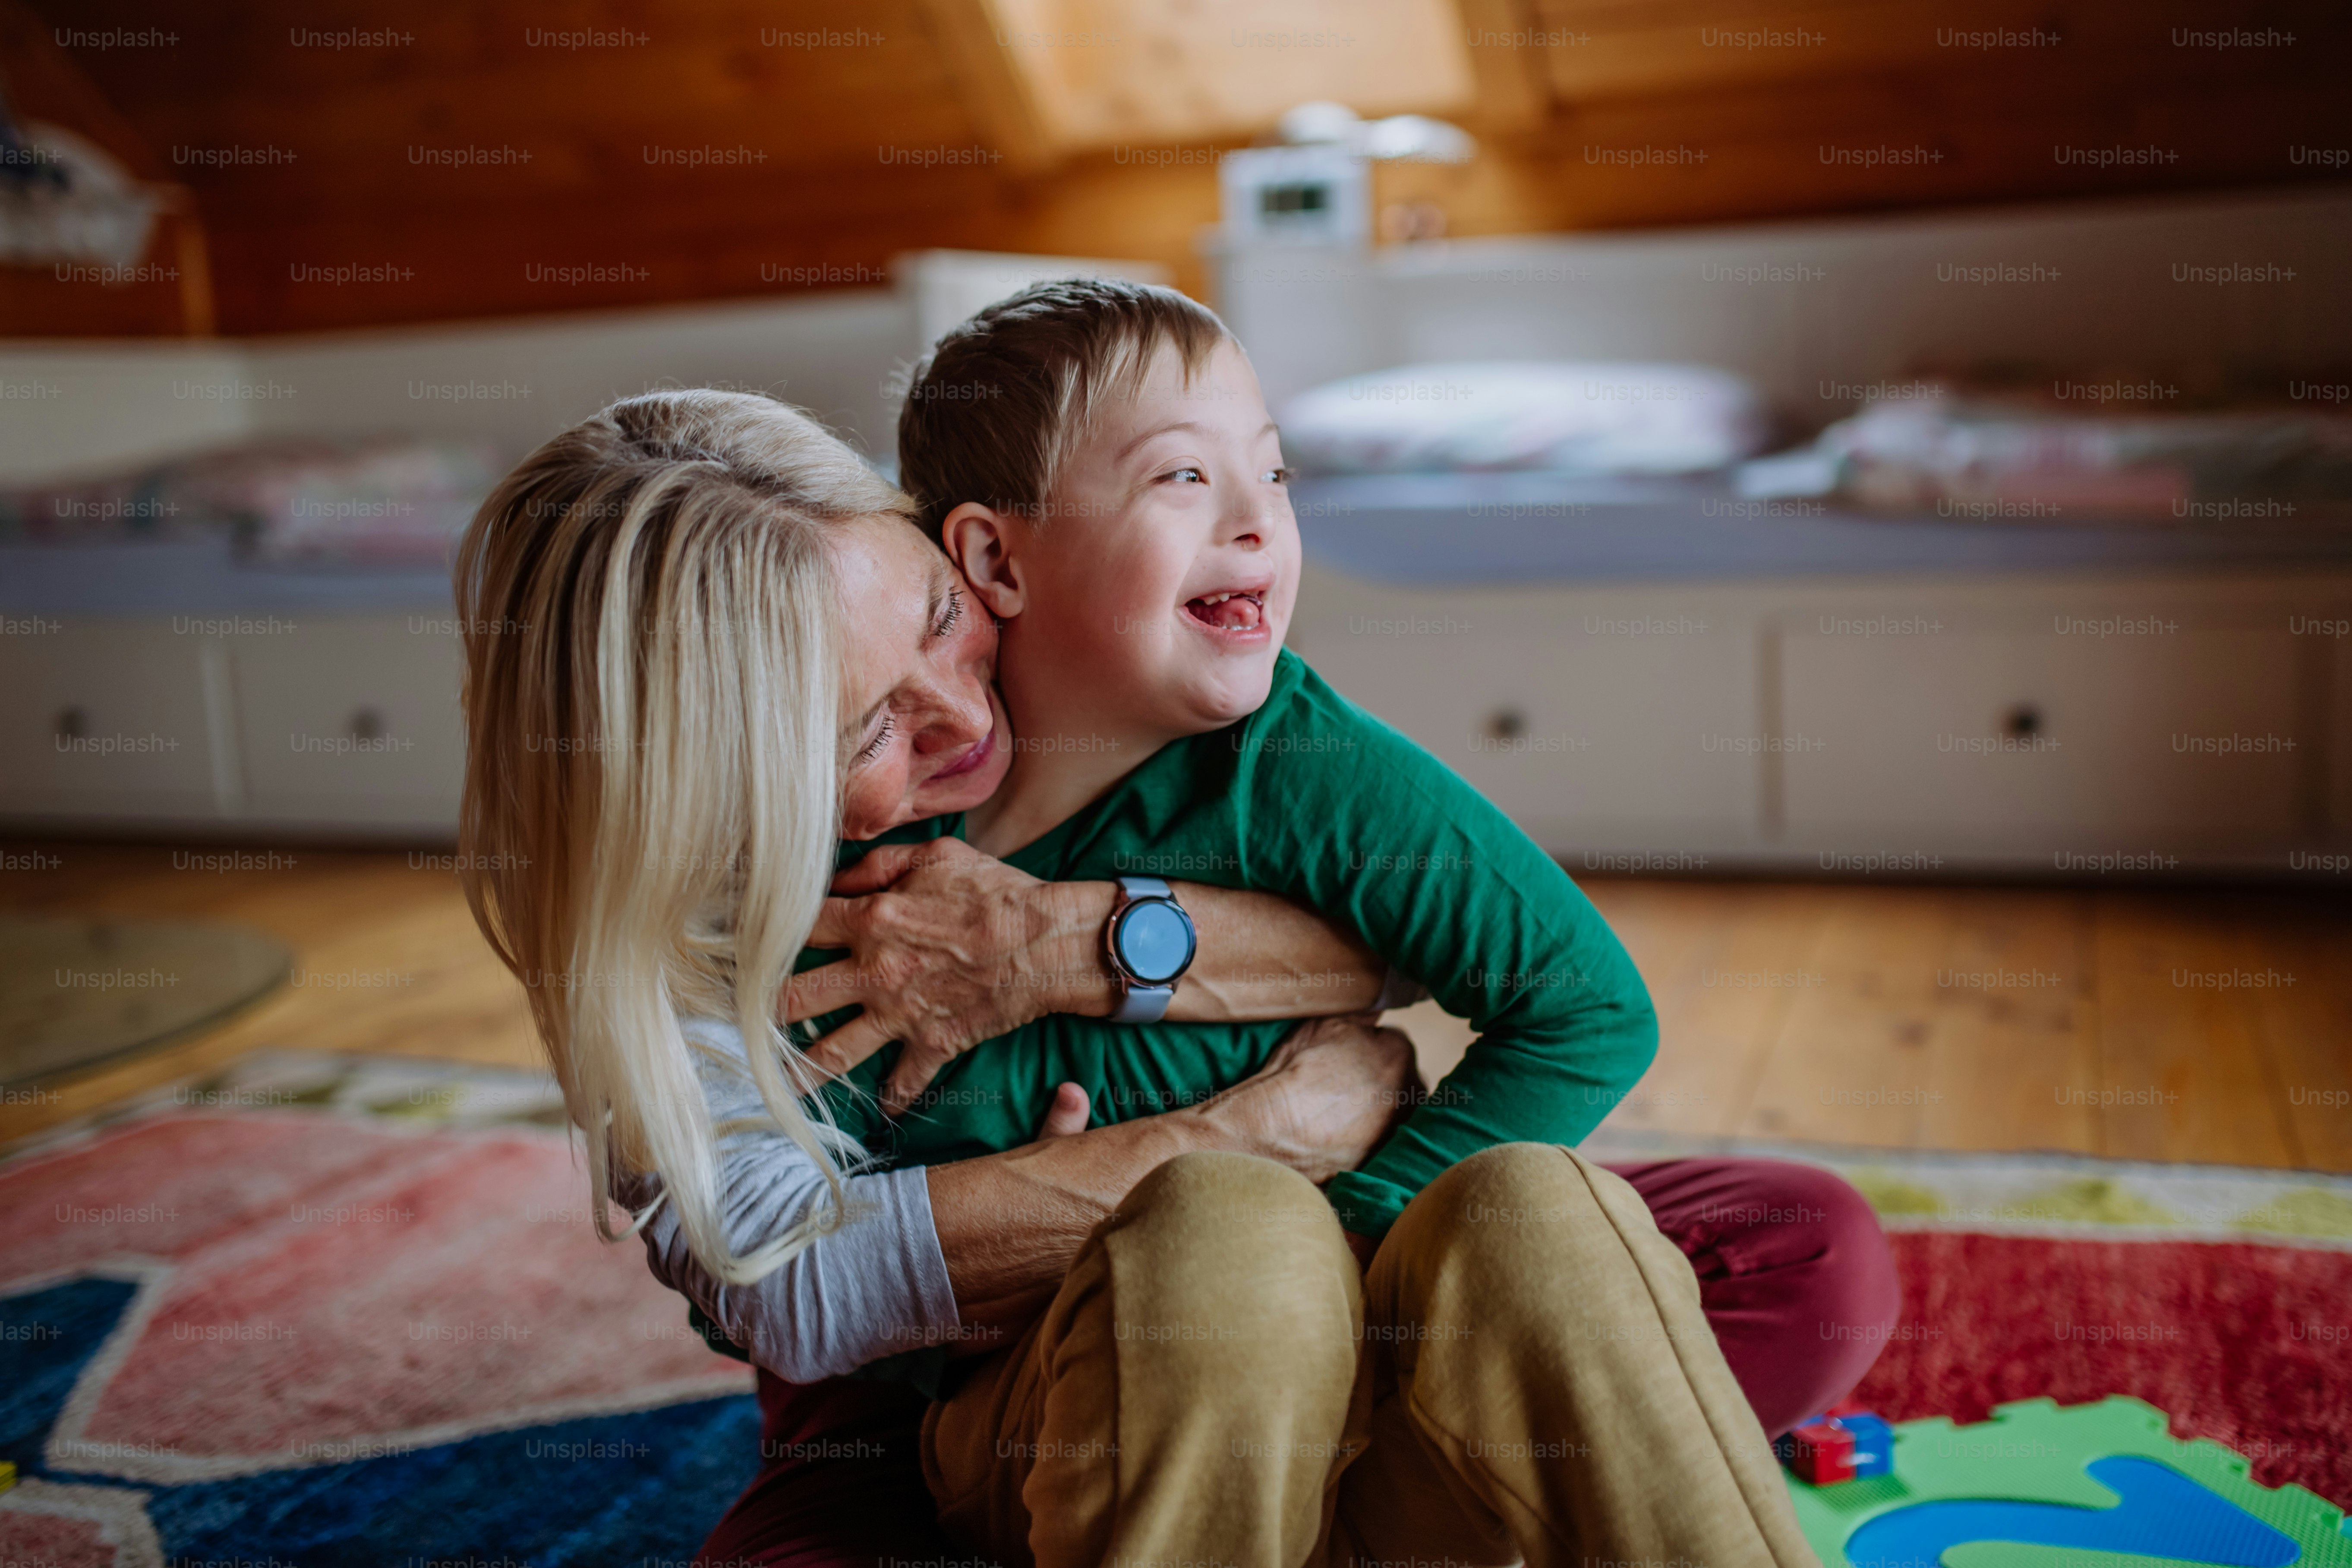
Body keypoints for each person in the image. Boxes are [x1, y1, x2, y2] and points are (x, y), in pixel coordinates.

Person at [451, 387, 1889, 1568]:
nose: (964, 717)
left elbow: (1442, 938)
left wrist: (1069, 943)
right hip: (950, 1406)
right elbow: (793, 1284)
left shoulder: (1140, 695)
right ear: (717, 791)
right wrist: (1249, 1139)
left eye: (940, 618)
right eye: (861, 735)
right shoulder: (660, 922)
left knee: (1782, 1246)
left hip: (1330, 1288)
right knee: (1218, 1254)